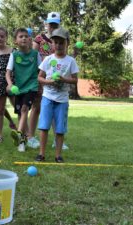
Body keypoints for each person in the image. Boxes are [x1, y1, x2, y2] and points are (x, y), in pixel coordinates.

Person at [35, 27, 79, 163]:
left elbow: (75, 79)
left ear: (67, 43)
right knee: (44, 126)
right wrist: (50, 82)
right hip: (47, 98)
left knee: (60, 129)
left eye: (62, 42)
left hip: (62, 100)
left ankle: (58, 155)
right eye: (56, 42)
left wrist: (63, 79)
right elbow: (39, 78)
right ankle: (41, 154)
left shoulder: (71, 61)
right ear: (52, 44)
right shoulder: (48, 59)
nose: (59, 45)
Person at [32, 12, 70, 150]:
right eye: (50, 24)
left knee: (56, 108)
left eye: (55, 24)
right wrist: (39, 78)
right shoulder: (38, 38)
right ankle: (30, 137)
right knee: (37, 107)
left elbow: (66, 59)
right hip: (41, 75)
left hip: (57, 82)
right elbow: (33, 57)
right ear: (46, 24)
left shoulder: (61, 38)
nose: (52, 26)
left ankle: (57, 139)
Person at [6, 28, 42, 152]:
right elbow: (8, 73)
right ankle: (22, 142)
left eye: (26, 36)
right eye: (21, 36)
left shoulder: (35, 54)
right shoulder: (14, 55)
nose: (24, 38)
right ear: (15, 41)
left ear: (30, 39)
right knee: (21, 114)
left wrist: (41, 87)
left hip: (32, 86)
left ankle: (19, 132)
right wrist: (10, 84)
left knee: (24, 109)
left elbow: (41, 72)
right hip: (19, 88)